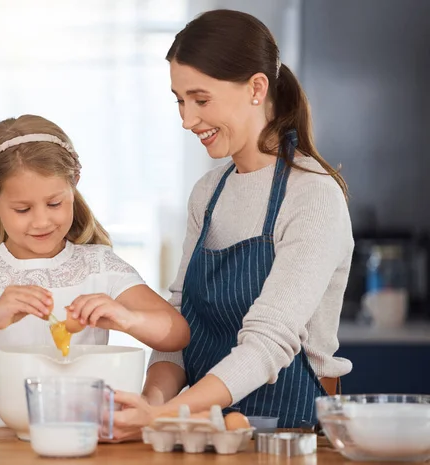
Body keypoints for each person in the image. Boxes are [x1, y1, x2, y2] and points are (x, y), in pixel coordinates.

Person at [111, 9, 354, 439]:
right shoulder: (208, 193)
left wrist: (168, 413)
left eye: (201, 100)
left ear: (256, 88)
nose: (187, 119)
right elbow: (181, 319)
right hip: (205, 431)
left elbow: (268, 343)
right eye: (179, 100)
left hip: (290, 436)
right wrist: (152, 404)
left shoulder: (313, 196)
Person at [0, 114, 190, 428]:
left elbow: (176, 333)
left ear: (73, 186)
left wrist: (126, 318)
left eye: (54, 204)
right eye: (23, 209)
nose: (42, 221)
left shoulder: (99, 264)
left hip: (82, 434)